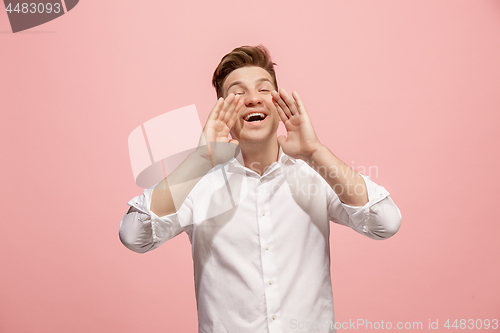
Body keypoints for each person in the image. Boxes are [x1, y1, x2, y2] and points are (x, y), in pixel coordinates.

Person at [119, 45, 402, 333]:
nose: (253, 98)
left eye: (264, 90)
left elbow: (385, 222)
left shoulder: (315, 175)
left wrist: (316, 152)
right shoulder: (197, 184)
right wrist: (200, 159)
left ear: (278, 105)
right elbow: (134, 235)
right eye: (237, 93)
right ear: (222, 111)